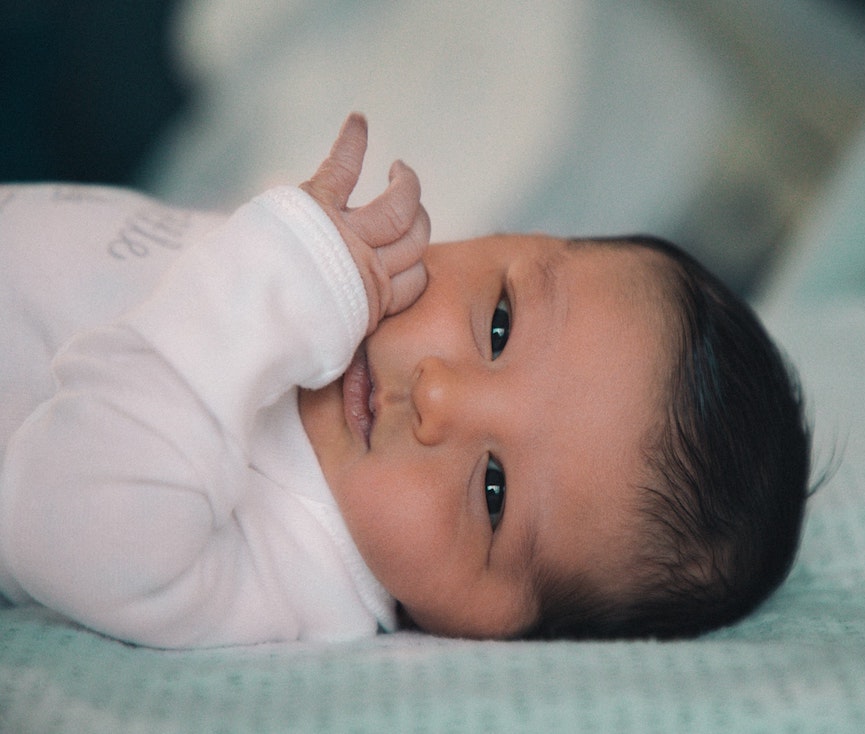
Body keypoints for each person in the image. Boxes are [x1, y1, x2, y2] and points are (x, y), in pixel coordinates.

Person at [0, 114, 810, 647]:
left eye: (495, 491)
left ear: (489, 629)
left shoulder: (296, 578)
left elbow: (57, 522)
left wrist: (268, 282)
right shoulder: (338, 293)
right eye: (499, 325)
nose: (438, 397)